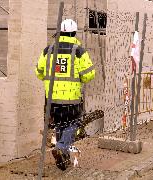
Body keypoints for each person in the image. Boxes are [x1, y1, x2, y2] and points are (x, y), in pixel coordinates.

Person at [35, 19, 95, 170]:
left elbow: (39, 72)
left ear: (60, 32)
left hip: (52, 98)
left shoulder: (47, 50)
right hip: (71, 98)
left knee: (60, 124)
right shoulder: (78, 51)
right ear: (74, 33)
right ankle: (61, 147)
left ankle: (63, 157)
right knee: (73, 123)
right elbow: (89, 74)